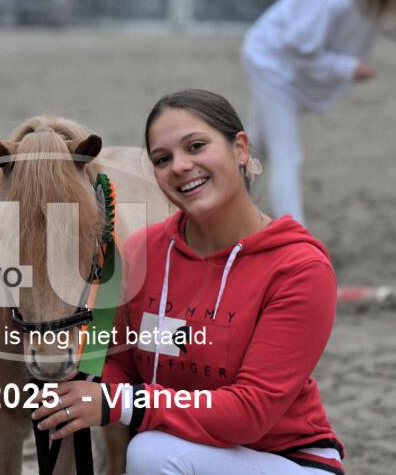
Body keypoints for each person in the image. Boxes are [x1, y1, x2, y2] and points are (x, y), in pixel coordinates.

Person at [32, 89, 344, 474]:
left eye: (196, 146)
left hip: (288, 460)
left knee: (151, 453)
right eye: (162, 159)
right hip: (186, 453)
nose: (180, 166)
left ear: (241, 148)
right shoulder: (141, 250)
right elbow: (116, 364)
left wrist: (117, 403)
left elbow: (250, 412)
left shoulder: (300, 267)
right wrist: (70, 371)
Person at [241, 0, 396, 224]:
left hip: (294, 71)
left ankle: (228, 207)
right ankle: (295, 239)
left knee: (257, 149)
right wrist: (346, 67)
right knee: (287, 155)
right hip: (271, 66)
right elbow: (297, 46)